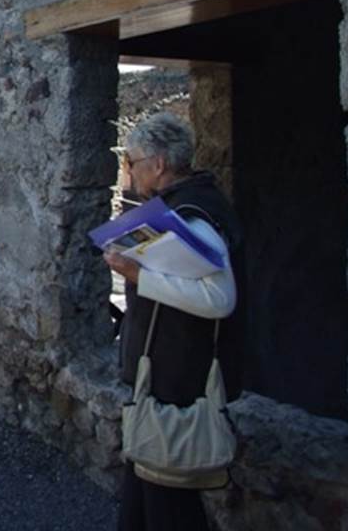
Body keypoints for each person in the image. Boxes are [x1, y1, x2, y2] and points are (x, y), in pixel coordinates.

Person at [106, 112, 244, 531]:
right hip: (163, 374)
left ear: (159, 164)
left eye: (132, 161)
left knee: (169, 505)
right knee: (144, 502)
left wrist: (137, 276)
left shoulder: (195, 215)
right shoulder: (178, 207)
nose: (129, 171)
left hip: (177, 380)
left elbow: (219, 299)